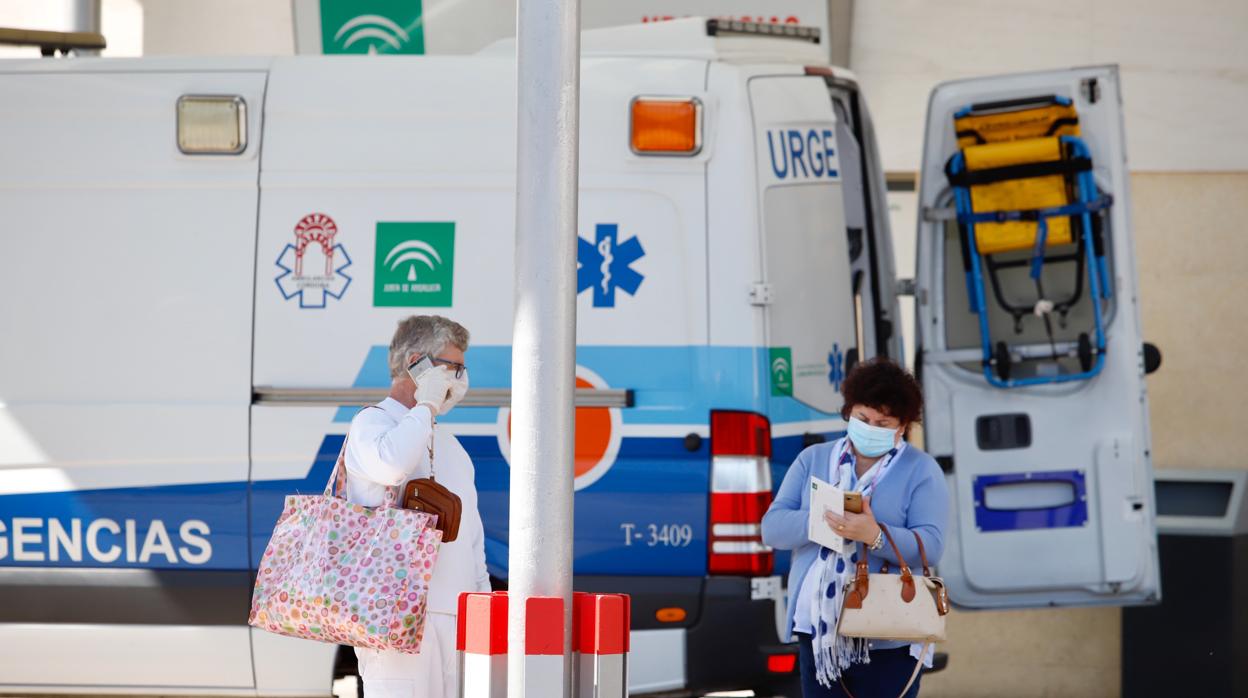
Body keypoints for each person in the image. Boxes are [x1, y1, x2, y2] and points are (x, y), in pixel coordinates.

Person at [762, 358, 949, 698]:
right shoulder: (813, 459)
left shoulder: (921, 470)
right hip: (819, 630)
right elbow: (772, 528)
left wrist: (874, 536)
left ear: (902, 425)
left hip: (890, 629)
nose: (871, 427)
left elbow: (931, 545)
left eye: (884, 422)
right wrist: (825, 520)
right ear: (849, 411)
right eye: (863, 418)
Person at [345, 315, 489, 698]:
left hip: (455, 621)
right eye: (452, 368)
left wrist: (484, 609)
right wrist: (424, 406)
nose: (459, 381)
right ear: (415, 363)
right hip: (394, 620)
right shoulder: (371, 425)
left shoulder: (454, 449)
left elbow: (473, 543)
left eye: (463, 369)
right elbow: (391, 465)